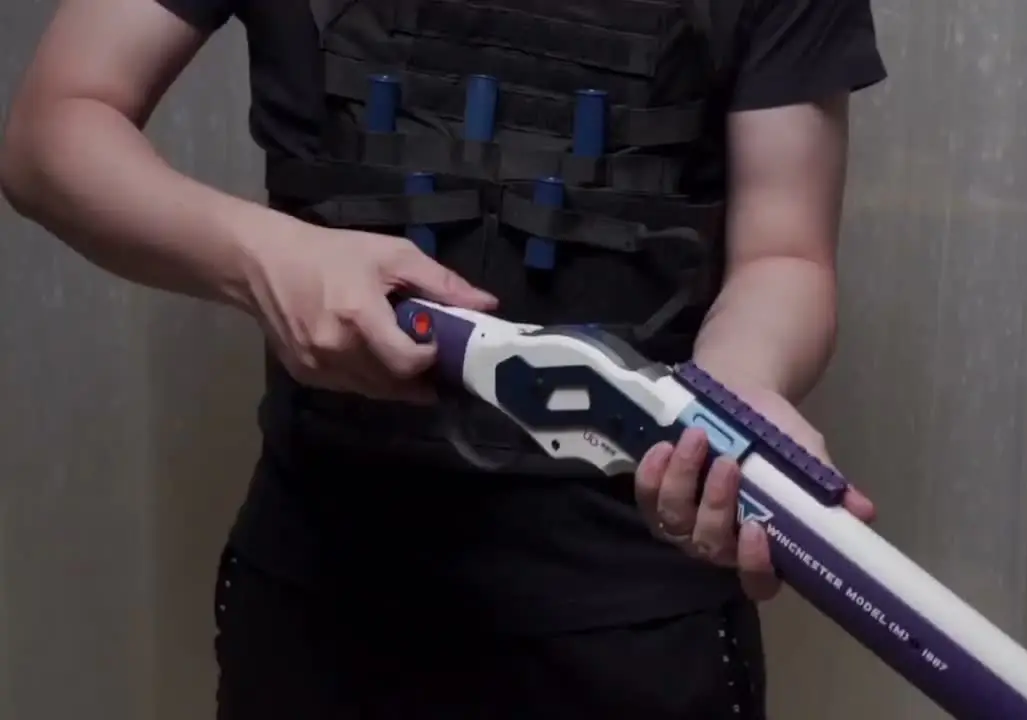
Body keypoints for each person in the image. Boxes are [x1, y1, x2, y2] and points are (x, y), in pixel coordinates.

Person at [1, 0, 886, 717]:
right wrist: (265, 256)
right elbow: (53, 132)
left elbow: (784, 255)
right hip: (322, 599)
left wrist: (730, 394)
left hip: (639, 621)